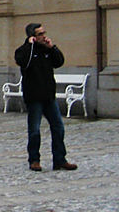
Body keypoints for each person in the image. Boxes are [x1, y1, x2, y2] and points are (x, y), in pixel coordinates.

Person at [15, 23, 77, 172]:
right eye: (40, 34)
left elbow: (59, 62)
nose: (44, 36)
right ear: (32, 37)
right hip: (34, 97)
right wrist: (30, 46)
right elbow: (23, 62)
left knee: (58, 127)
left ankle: (60, 159)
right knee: (35, 130)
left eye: (44, 33)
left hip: (49, 96)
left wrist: (52, 48)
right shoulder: (24, 51)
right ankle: (34, 160)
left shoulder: (46, 51)